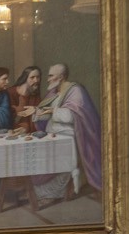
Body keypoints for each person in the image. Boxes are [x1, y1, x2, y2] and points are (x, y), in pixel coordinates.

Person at [33, 62, 102, 200]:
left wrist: (53, 111)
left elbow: (71, 117)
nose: (47, 79)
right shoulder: (54, 92)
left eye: (51, 76)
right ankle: (38, 189)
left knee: (52, 156)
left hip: (69, 135)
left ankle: (56, 192)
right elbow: (48, 114)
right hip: (51, 133)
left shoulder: (75, 91)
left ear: (61, 77)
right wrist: (36, 112)